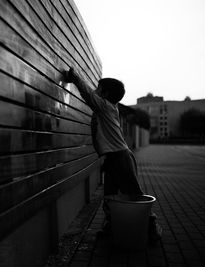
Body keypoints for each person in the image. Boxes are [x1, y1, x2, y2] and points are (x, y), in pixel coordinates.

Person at [64, 67, 162, 243]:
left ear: (105, 93)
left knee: (133, 194)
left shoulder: (106, 107)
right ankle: (111, 227)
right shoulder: (106, 109)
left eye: (98, 88)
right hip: (113, 158)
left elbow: (88, 95)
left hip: (121, 158)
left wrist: (76, 78)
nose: (95, 90)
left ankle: (151, 226)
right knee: (109, 196)